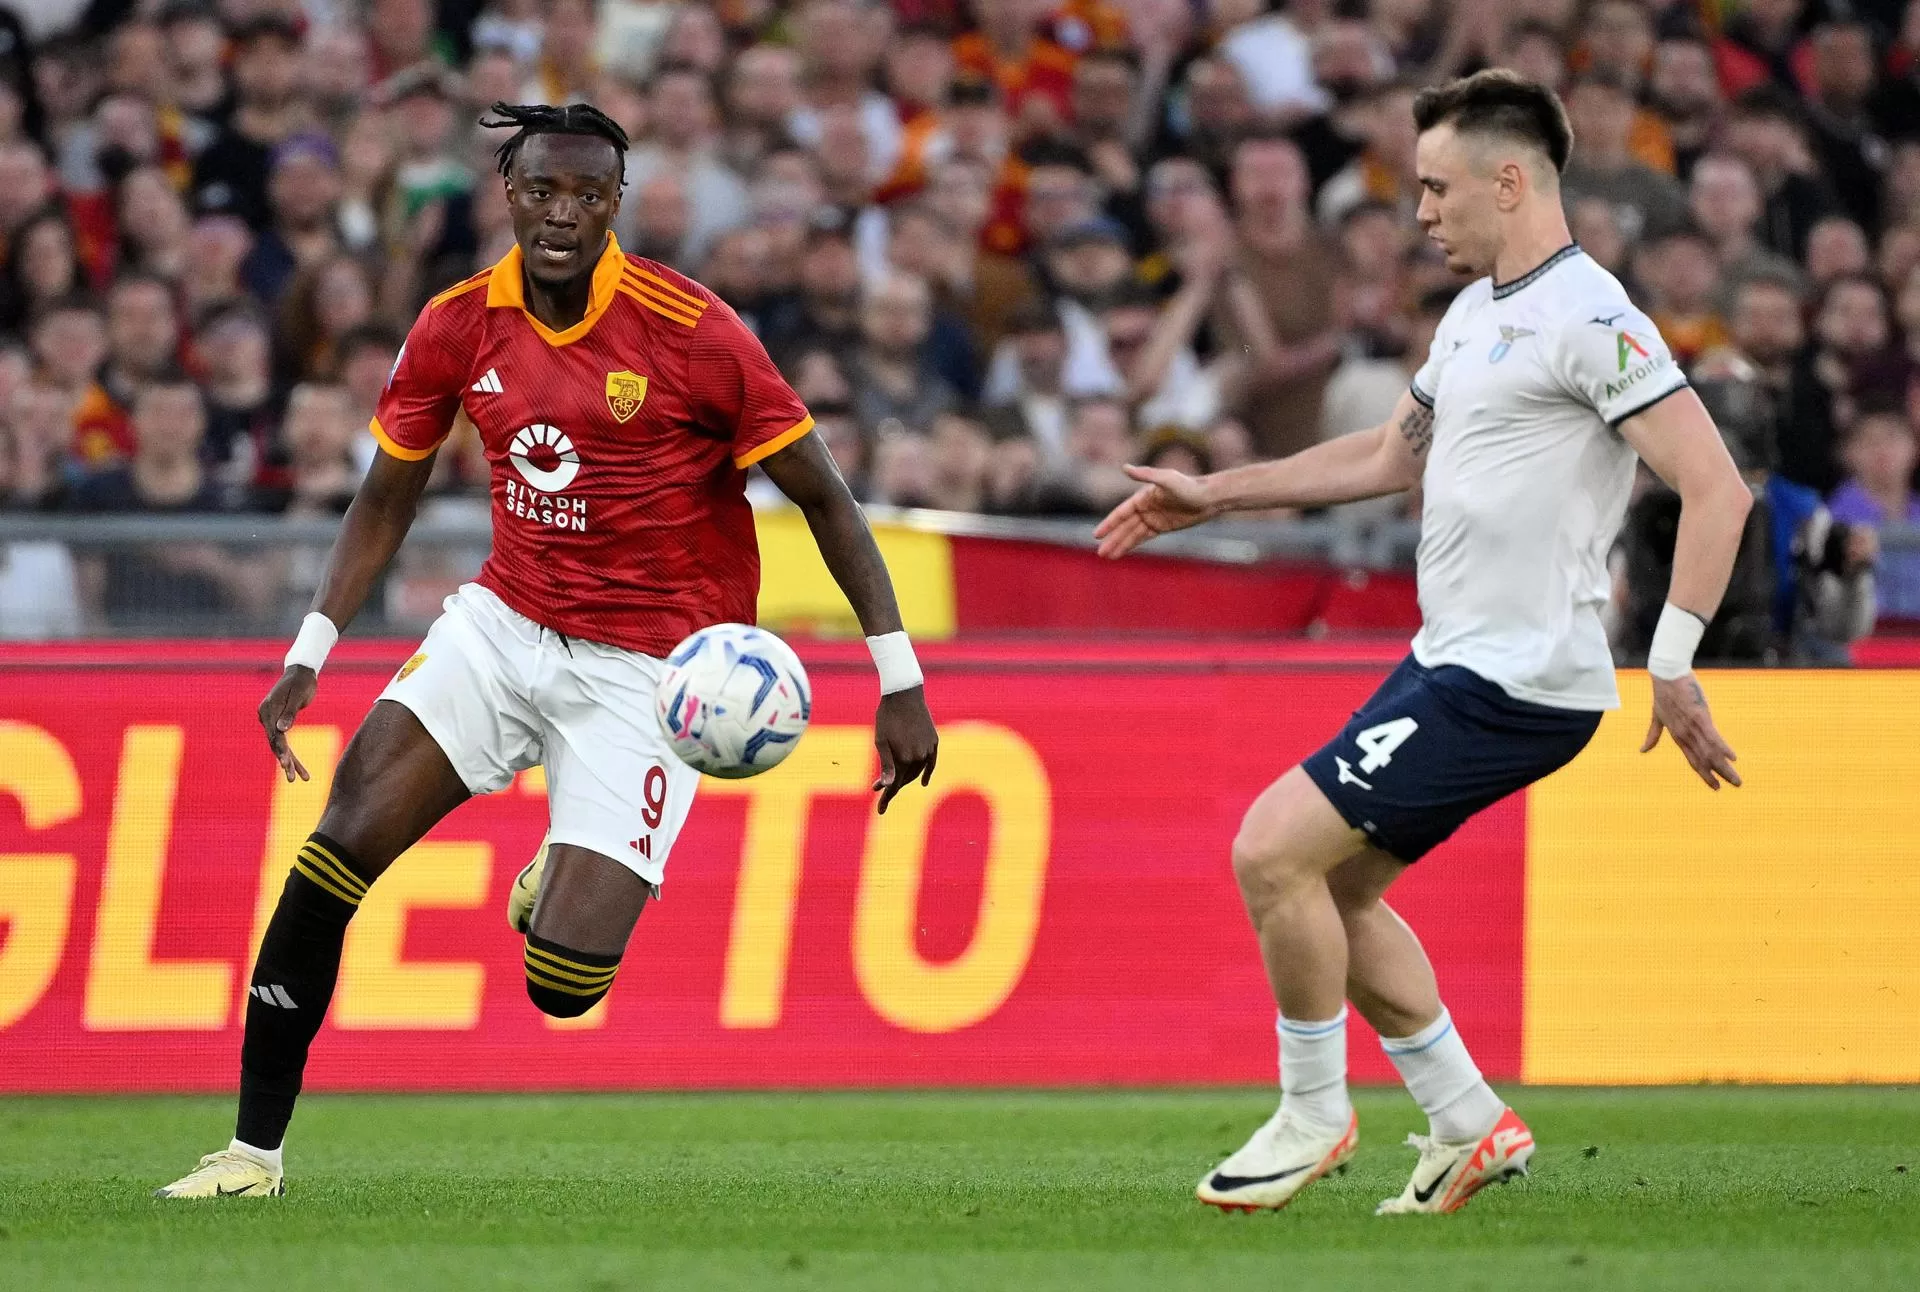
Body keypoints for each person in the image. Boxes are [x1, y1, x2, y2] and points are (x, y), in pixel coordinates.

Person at [155, 102, 939, 1200]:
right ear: (507, 195)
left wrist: (899, 681)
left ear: (617, 202)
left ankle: (555, 874)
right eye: (539, 191)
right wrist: (311, 646)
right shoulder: (458, 322)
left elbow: (828, 499)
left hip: (648, 675)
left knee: (564, 983)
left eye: (585, 194)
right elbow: (388, 491)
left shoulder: (693, 329)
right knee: (336, 844)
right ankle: (250, 1153)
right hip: (502, 623)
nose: (561, 213)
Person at [1096, 71, 1752, 1216]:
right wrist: (1215, 492)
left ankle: (1312, 1108)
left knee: (1268, 850)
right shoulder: (1475, 315)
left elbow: (1716, 486)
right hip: (1454, 656)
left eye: (1439, 187)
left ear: (1512, 181)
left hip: (1518, 675)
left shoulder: (1591, 319)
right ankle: (1465, 1119)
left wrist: (1676, 656)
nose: (1423, 212)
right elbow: (1386, 456)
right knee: (1335, 893)